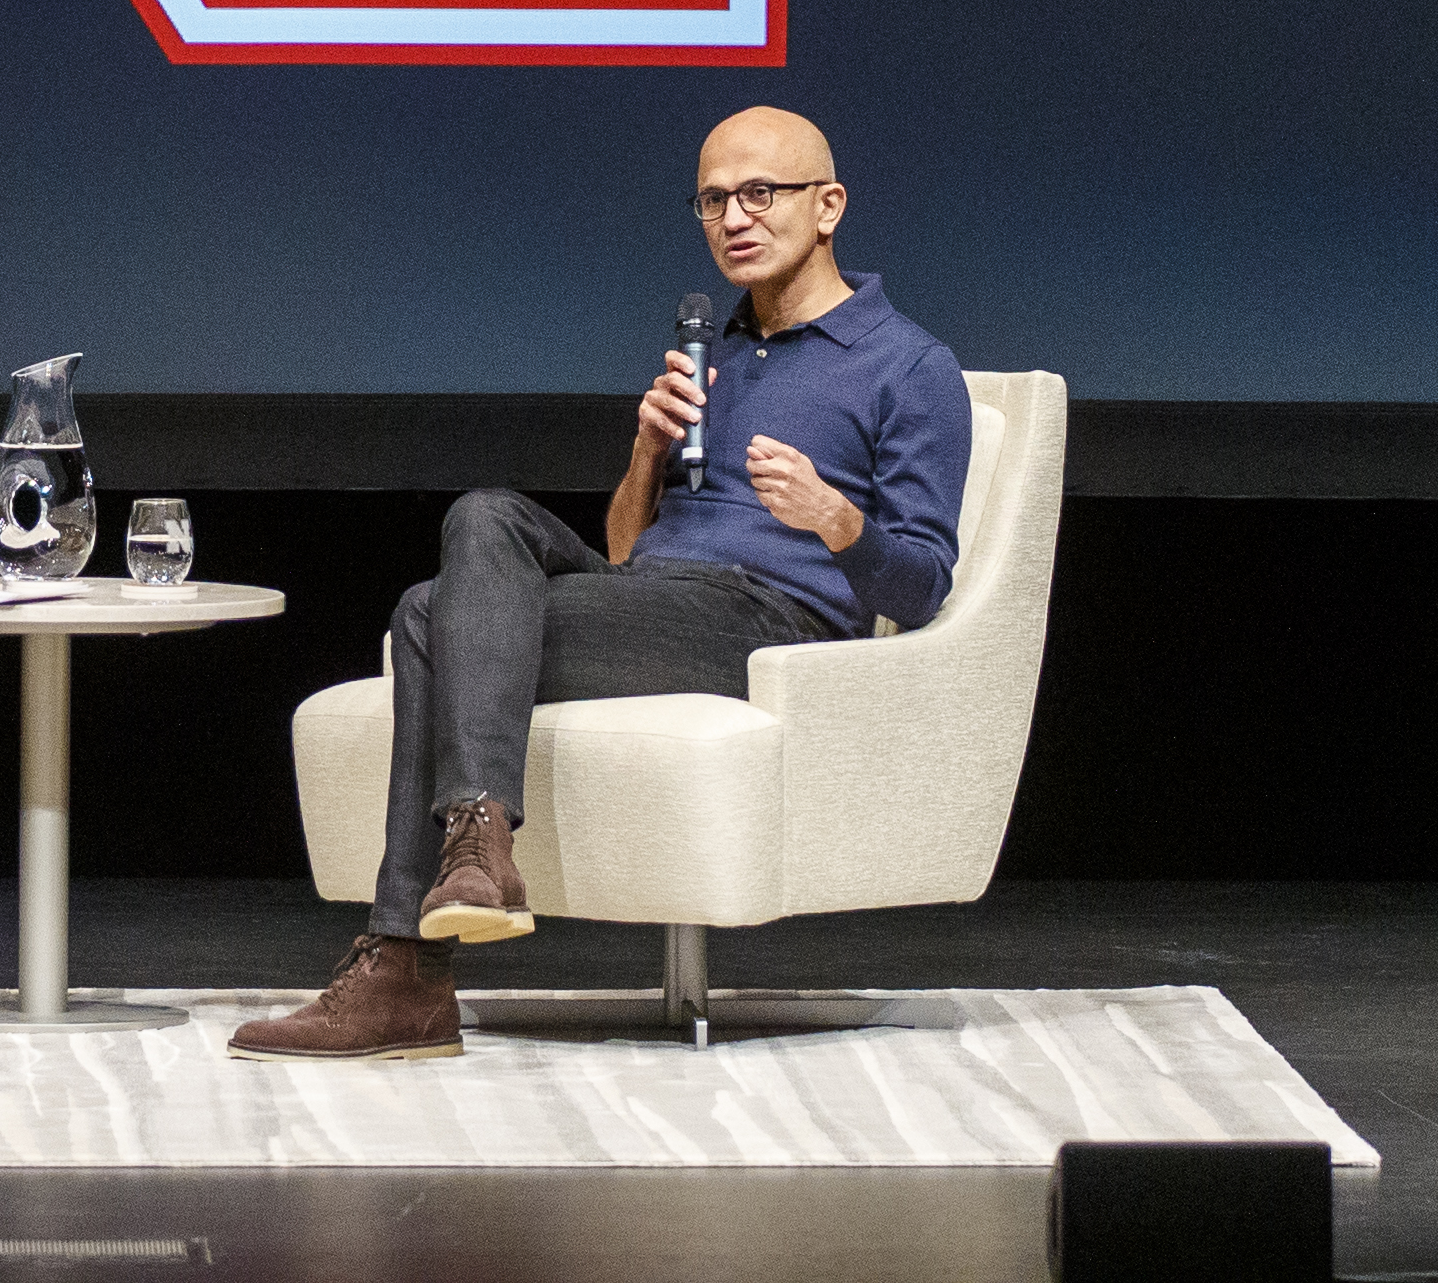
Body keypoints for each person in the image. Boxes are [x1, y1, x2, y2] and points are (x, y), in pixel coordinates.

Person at [231, 104, 972, 1063]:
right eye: (712, 201)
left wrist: (833, 517)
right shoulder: (716, 354)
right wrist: (647, 451)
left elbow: (920, 587)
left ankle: (411, 963)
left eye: (760, 193)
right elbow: (626, 551)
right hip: (656, 598)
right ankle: (478, 848)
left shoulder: (909, 366)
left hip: (762, 620)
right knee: (483, 515)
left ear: (827, 206)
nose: (734, 219)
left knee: (428, 612)